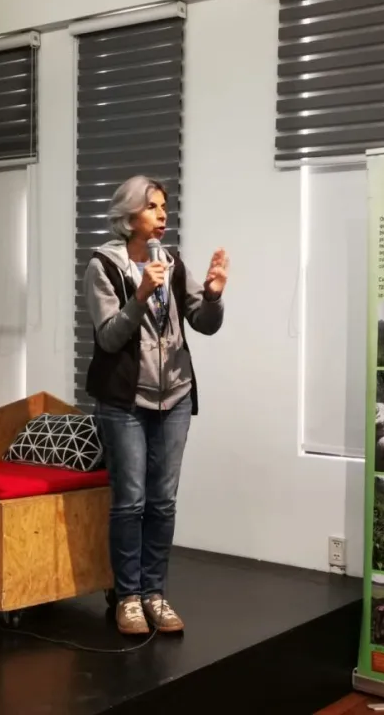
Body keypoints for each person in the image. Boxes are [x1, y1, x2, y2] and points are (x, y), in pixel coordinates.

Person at [82, 175, 229, 635]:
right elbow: (108, 337)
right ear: (129, 216)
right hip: (125, 401)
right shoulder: (103, 267)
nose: (163, 215)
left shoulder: (173, 262)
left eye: (165, 207)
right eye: (153, 207)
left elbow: (203, 324)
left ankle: (155, 594)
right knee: (130, 502)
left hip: (176, 397)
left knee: (162, 503)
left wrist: (215, 294)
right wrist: (141, 294)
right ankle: (127, 597)